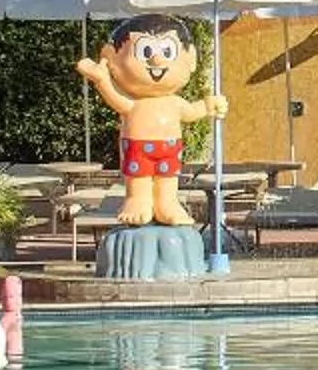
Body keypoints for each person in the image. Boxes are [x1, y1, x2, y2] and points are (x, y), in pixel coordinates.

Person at [77, 18, 224, 226]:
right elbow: (114, 98)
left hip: (170, 148)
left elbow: (191, 111)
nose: (156, 60)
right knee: (138, 179)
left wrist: (209, 106)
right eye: (145, 52)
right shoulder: (132, 104)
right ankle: (137, 200)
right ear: (112, 59)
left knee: (168, 179)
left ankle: (167, 203)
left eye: (167, 52)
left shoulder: (174, 102)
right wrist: (102, 80)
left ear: (190, 59)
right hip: (137, 148)